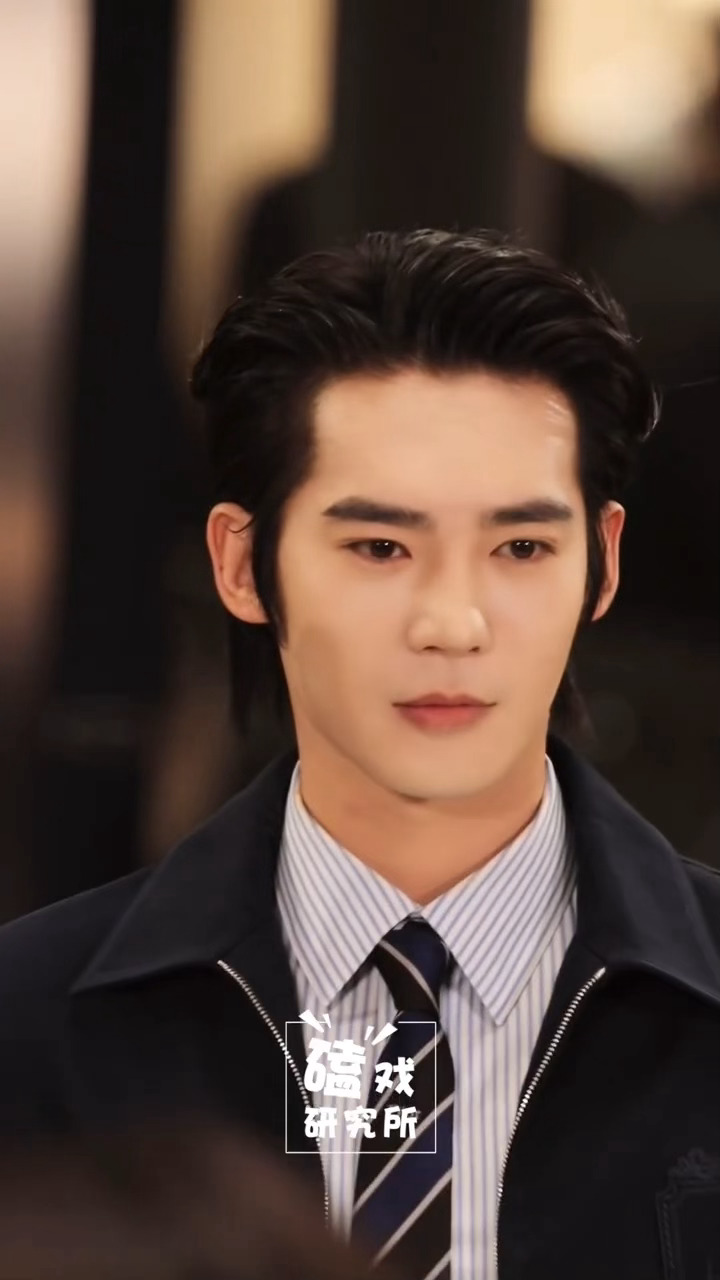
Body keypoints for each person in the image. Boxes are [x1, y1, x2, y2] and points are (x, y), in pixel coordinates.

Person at [0, 229, 718, 1280]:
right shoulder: (28, 1023)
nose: (453, 622)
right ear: (243, 564)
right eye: (380, 547)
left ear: (601, 564)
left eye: (522, 547)